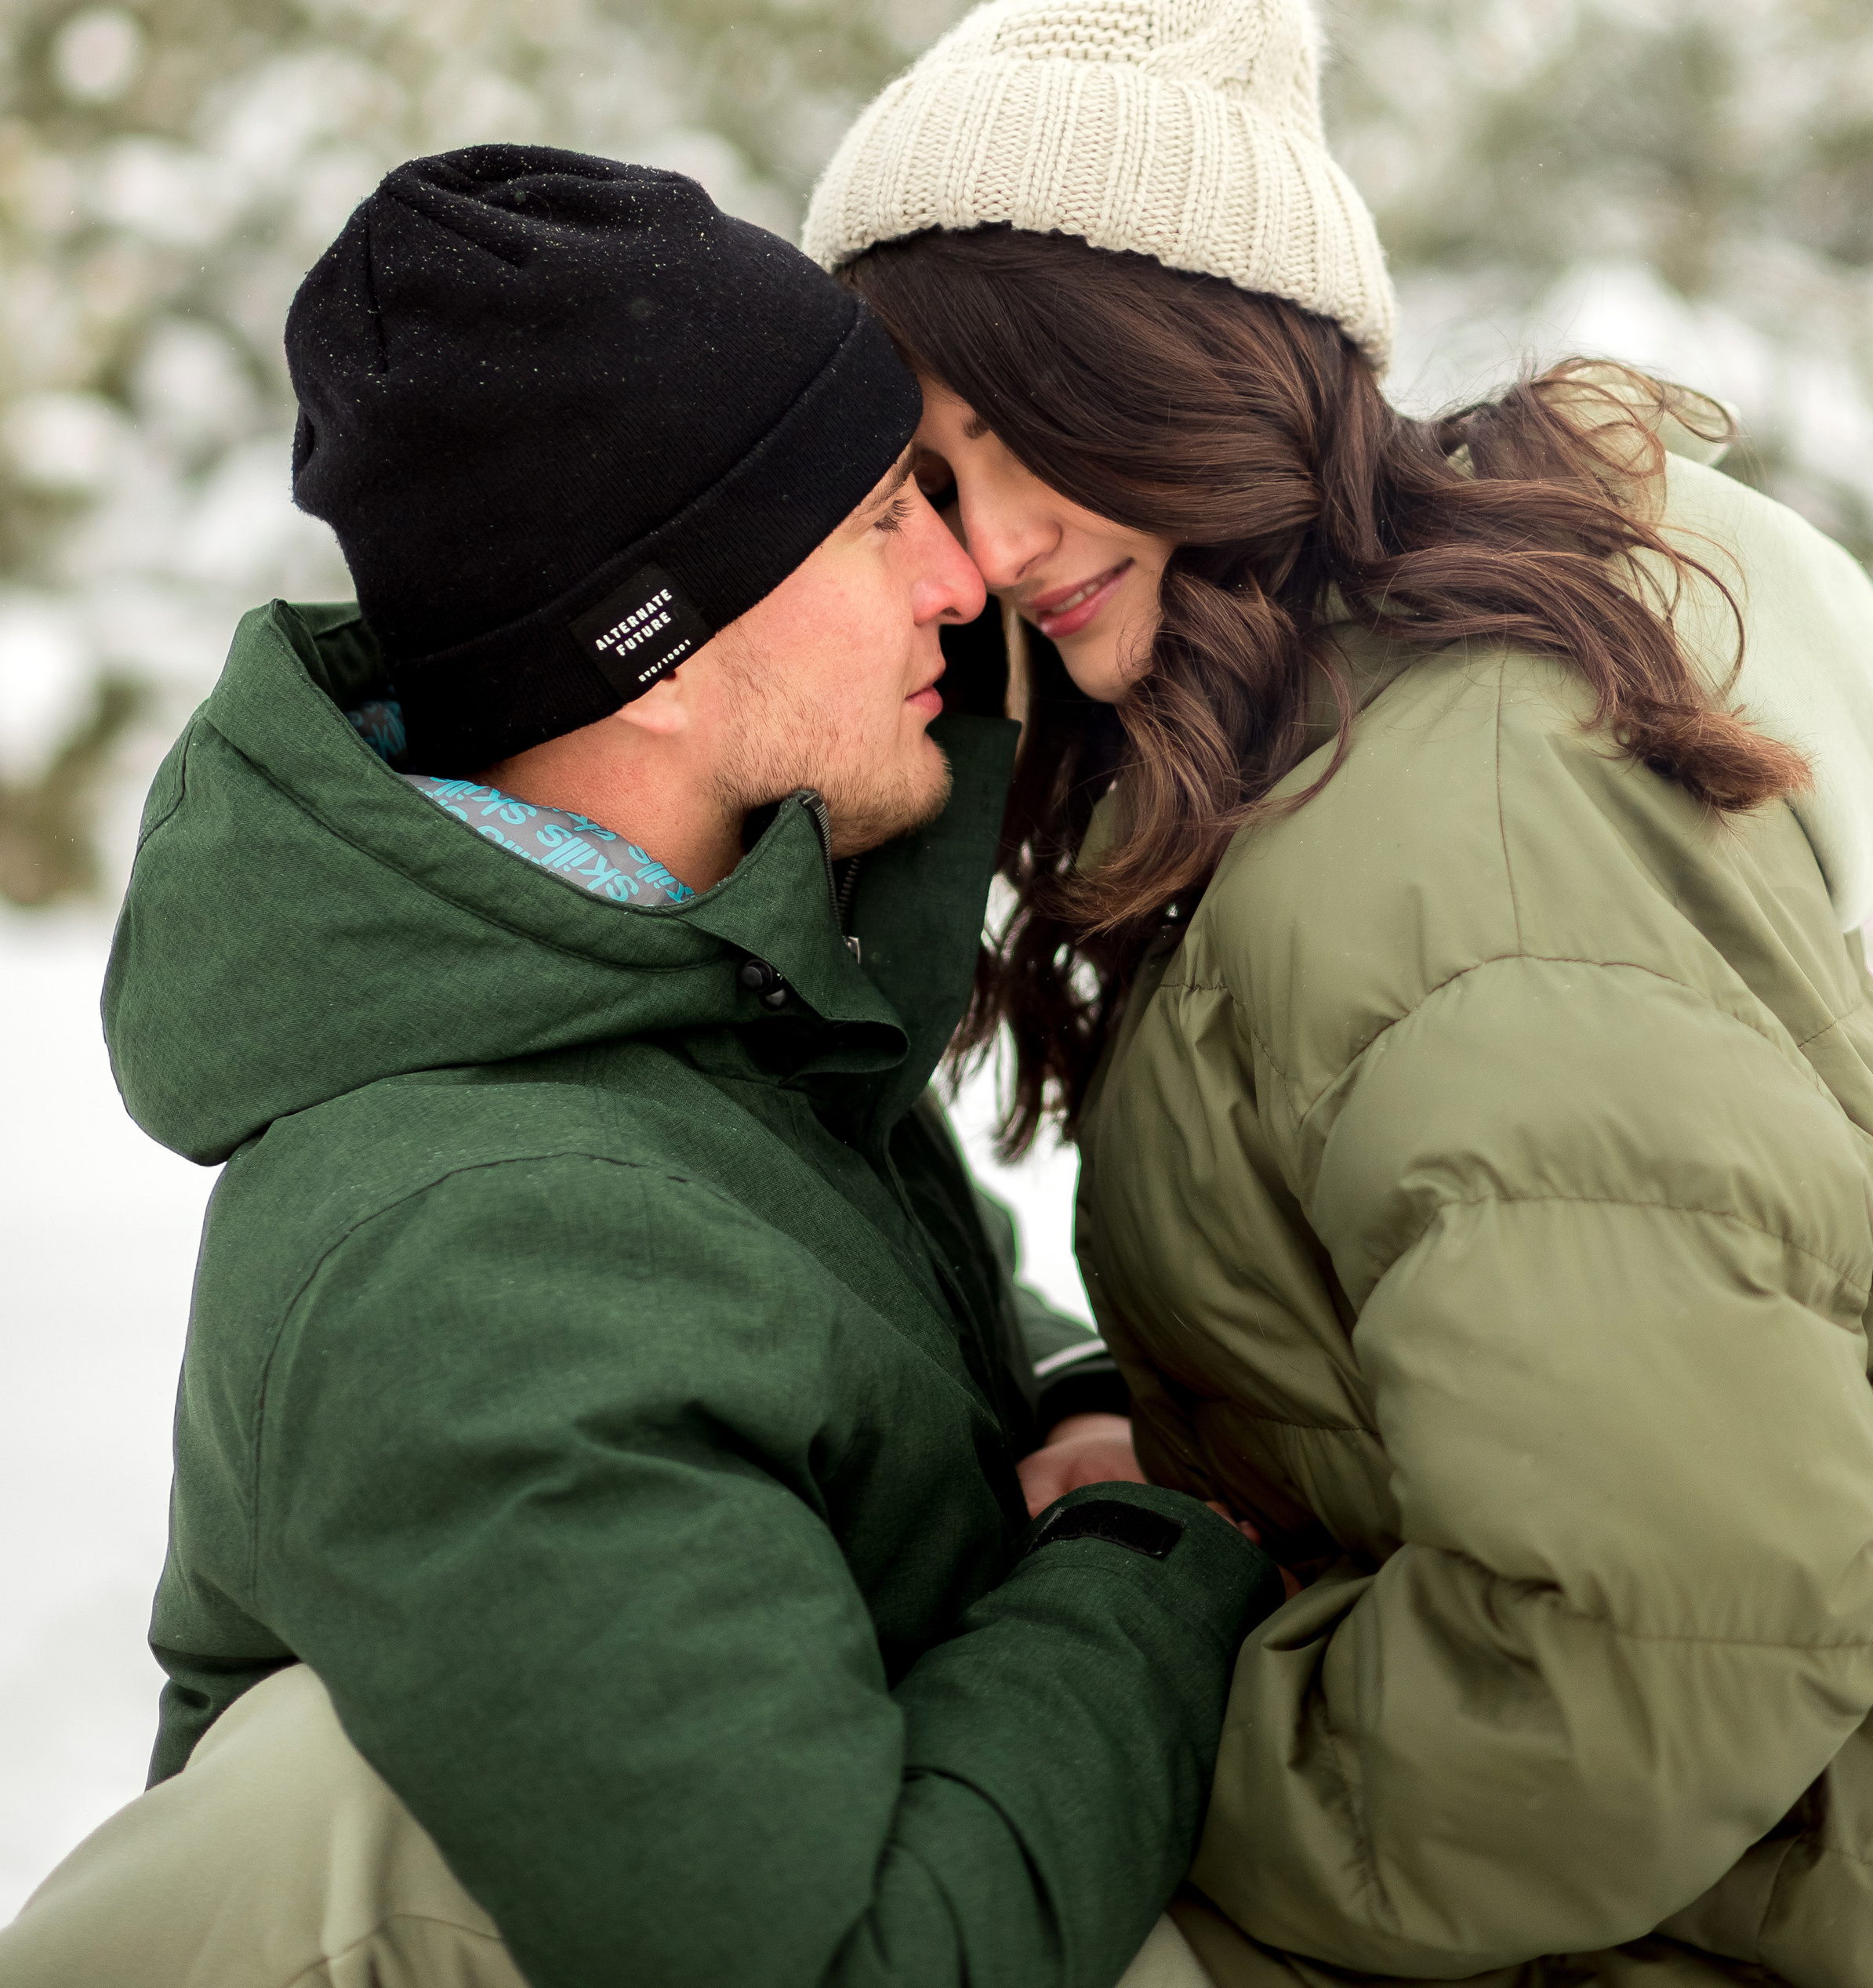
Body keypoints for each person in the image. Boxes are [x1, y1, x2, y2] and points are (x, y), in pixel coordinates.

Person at [802, 0, 1873, 1985]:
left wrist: (1153, 1773)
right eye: (935, 478)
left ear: (1197, 366)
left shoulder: (1464, 829)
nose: (994, 544)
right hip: (1706, 1863)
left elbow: (1674, 1620)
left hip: (1820, 1907)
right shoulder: (1309, 758)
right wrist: (1188, 1453)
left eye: (1034, 428)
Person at [0, 147, 1280, 1988]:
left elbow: (911, 1374)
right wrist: (1146, 1561)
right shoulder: (477, 1265)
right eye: (876, 523)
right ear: (654, 651)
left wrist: (1077, 1411)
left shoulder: (679, 1008)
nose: (959, 576)